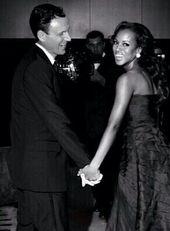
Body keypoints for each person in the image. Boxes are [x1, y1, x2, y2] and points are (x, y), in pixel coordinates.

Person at [80, 21, 170, 230]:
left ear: (139, 50)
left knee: (136, 212)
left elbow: (114, 125)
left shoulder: (127, 79)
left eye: (126, 44)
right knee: (156, 212)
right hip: (158, 152)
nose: (117, 48)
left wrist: (93, 166)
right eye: (116, 42)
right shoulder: (147, 75)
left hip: (139, 155)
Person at [6, 4, 100, 231]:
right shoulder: (38, 67)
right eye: (61, 33)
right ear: (42, 35)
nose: (68, 37)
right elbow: (55, 120)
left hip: (31, 172)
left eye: (67, 30)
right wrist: (86, 163)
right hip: (42, 174)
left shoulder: (34, 62)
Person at [78, 30, 123, 219]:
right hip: (89, 127)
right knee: (90, 165)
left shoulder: (115, 63)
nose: (95, 47)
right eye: (91, 44)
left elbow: (121, 93)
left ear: (104, 45)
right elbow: (76, 96)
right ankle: (99, 201)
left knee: (109, 168)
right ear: (87, 46)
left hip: (108, 127)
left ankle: (107, 206)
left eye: (98, 44)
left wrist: (101, 80)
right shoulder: (82, 64)